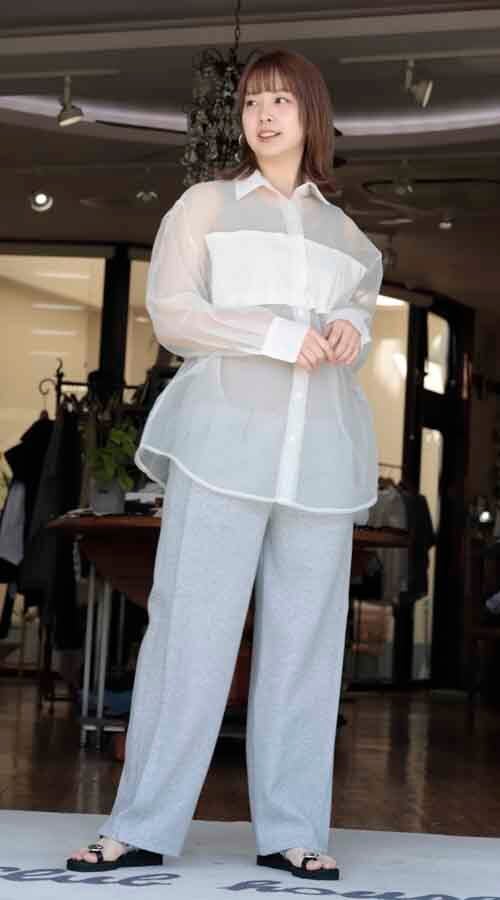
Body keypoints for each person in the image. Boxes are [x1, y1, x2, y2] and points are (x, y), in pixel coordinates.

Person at [67, 47, 383, 881]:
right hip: (223, 453)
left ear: (312, 114)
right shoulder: (203, 207)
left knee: (306, 646)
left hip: (320, 460)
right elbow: (173, 314)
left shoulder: (350, 237)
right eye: (251, 103)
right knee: (189, 634)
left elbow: (358, 319)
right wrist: (275, 335)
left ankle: (294, 830)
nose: (264, 116)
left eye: (281, 101)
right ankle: (140, 824)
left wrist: (352, 329)